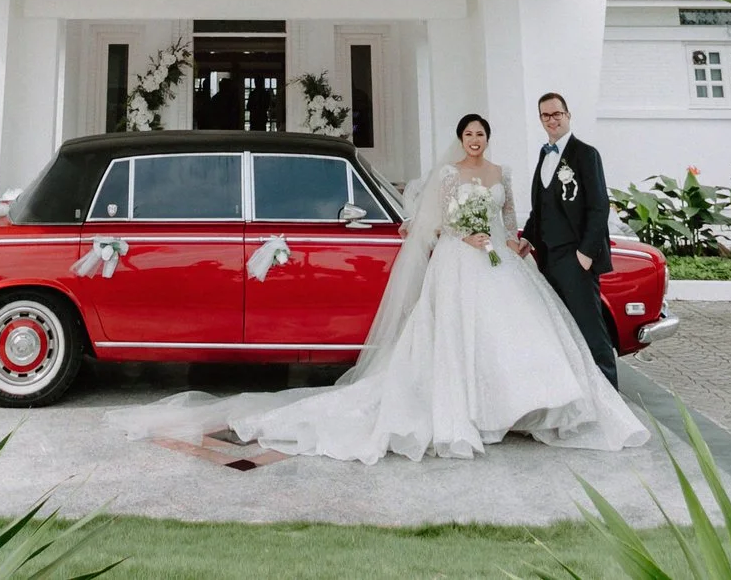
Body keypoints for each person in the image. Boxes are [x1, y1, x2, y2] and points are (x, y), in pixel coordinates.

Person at [120, 113, 646, 463]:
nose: (475, 141)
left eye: (481, 135)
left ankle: (512, 411)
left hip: (495, 258)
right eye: (469, 135)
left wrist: (509, 242)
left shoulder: (501, 173)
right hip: (464, 257)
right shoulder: (448, 177)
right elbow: (435, 223)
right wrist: (463, 234)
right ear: (462, 139)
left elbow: (507, 219)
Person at [511, 90, 619, 388]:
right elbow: (542, 206)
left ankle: (610, 396)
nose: (552, 120)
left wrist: (585, 253)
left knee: (590, 330)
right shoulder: (544, 155)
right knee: (561, 329)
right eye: (546, 115)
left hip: (575, 258)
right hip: (547, 258)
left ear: (568, 115)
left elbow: (599, 207)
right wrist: (528, 239)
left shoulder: (585, 154)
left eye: (557, 114)